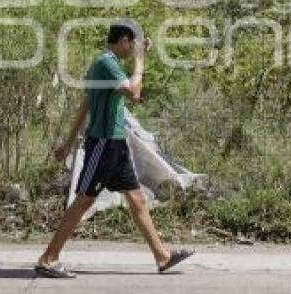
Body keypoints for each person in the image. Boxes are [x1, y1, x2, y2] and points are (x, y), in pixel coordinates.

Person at [35, 23, 193, 278]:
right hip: (104, 143)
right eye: (132, 45)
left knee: (137, 198)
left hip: (117, 144)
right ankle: (48, 258)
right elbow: (134, 92)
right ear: (123, 41)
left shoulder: (108, 67)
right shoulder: (106, 63)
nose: (133, 50)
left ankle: (162, 257)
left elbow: (86, 105)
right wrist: (140, 62)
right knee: (84, 200)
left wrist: (67, 142)